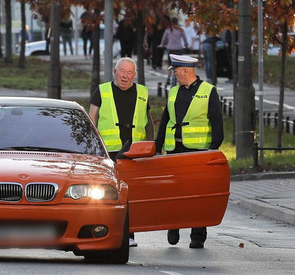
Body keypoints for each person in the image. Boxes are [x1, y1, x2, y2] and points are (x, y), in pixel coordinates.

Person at [155, 54, 224, 249]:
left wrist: (213, 150)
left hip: (198, 151)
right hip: (174, 149)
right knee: (173, 191)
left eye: (175, 71)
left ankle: (197, 235)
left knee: (198, 194)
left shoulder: (208, 91)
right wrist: (157, 145)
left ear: (185, 71)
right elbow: (165, 120)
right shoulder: (174, 92)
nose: (174, 74)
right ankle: (174, 227)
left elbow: (217, 123)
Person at [89, 57, 154, 248]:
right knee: (106, 194)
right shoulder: (102, 91)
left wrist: (151, 145)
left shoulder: (143, 92)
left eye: (129, 72)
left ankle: (129, 234)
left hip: (135, 152)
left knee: (131, 195)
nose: (125, 76)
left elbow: (148, 121)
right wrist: (93, 148)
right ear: (114, 71)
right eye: (122, 71)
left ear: (134, 74)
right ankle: (101, 230)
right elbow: (92, 118)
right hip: (109, 152)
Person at [159, 17, 189, 84]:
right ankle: (179, 78)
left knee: (169, 64)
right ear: (177, 22)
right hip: (179, 49)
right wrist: (186, 45)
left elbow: (164, 39)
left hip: (171, 49)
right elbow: (185, 39)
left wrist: (163, 44)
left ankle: (168, 78)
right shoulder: (180, 29)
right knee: (179, 65)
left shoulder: (169, 29)